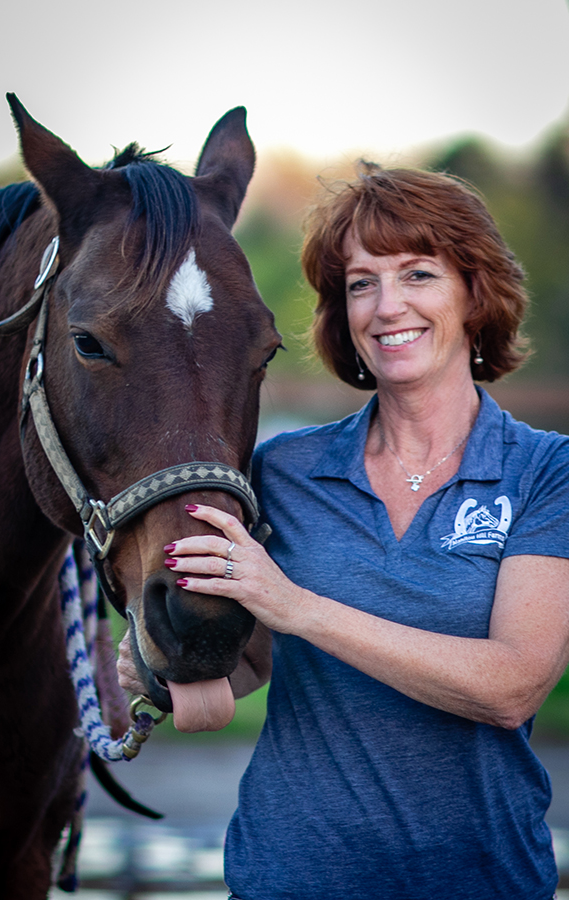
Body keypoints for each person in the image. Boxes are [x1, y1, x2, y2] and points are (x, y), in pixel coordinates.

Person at [119, 162, 569, 899]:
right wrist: (152, 668)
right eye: (361, 283)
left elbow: (512, 687)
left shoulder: (546, 472)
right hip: (289, 876)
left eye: (418, 274)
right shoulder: (282, 471)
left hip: (482, 880)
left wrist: (298, 606)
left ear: (474, 291)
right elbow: (248, 666)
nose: (387, 306)